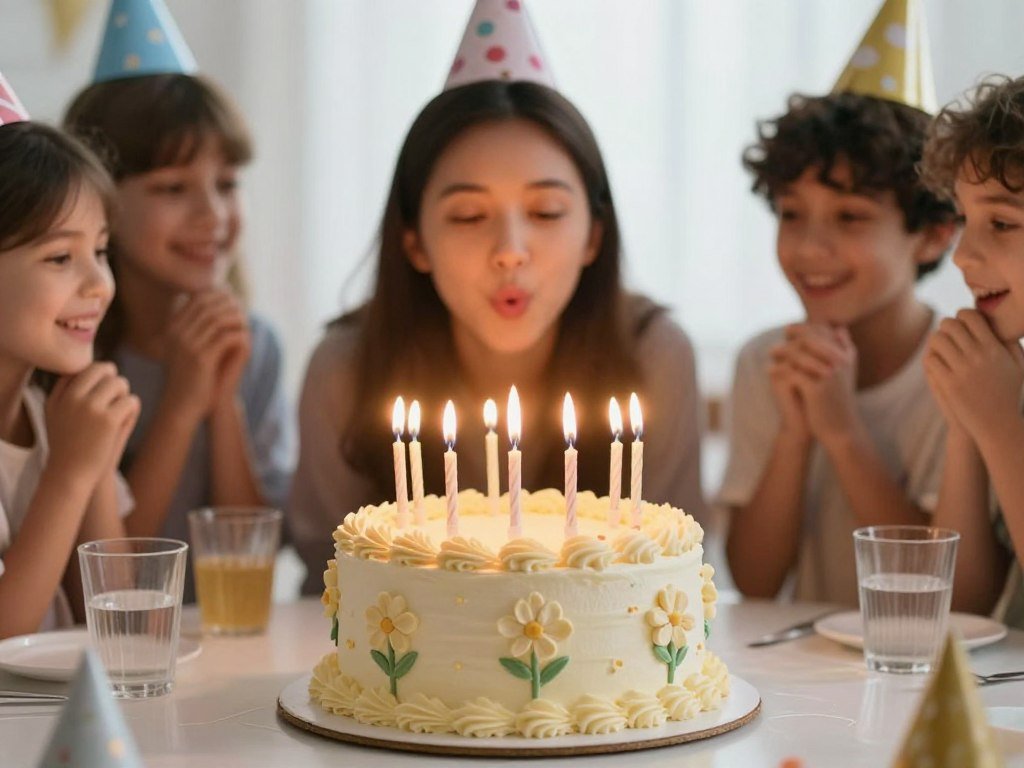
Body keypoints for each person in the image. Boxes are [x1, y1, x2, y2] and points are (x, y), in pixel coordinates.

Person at [288, 77, 706, 593]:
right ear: (415, 242)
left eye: (545, 212)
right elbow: (330, 581)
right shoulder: (347, 368)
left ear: (593, 236)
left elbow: (670, 575)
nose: (510, 249)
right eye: (469, 215)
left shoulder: (653, 356)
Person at [62, 3, 292, 600]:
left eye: (226, 184)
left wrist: (222, 403)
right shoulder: (68, 356)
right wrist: (183, 402)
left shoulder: (256, 344)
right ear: (100, 204)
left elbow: (252, 566)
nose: (212, 215)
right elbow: (116, 585)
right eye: (172, 188)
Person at [720, 88, 957, 604]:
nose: (809, 247)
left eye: (850, 217)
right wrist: (795, 433)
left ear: (934, 235)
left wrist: (843, 431)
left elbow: (939, 590)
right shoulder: (766, 362)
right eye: (791, 214)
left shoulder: (959, 373)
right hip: (805, 675)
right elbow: (754, 581)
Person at [0, 114, 140, 638]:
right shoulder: (65, 444)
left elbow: (118, 620)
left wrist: (95, 461)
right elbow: (5, 638)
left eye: (100, 251)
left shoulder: (52, 414)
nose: (100, 284)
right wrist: (71, 471)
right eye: (61, 256)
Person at [920, 76, 1024, 629]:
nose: (962, 256)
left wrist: (1002, 426)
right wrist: (968, 422)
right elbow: (959, 607)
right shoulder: (1011, 373)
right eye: (965, 219)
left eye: (1002, 223)